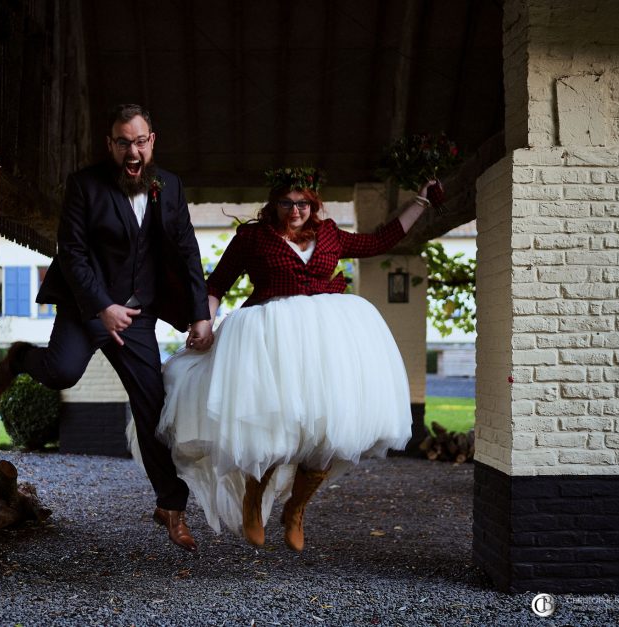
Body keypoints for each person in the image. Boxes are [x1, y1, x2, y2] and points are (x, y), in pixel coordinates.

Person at [150, 167, 437, 552]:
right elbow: (216, 283)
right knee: (273, 431)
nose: (295, 210)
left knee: (326, 434)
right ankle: (254, 502)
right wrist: (205, 321)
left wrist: (419, 201)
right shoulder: (253, 238)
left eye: (303, 203)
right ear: (275, 203)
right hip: (271, 342)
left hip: (324, 346)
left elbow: (379, 240)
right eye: (287, 202)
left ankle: (296, 510)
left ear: (314, 204)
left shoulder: (330, 234)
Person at [0, 104, 214, 552]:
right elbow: (71, 251)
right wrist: (102, 307)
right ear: (111, 145)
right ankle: (19, 358)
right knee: (62, 372)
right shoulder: (85, 185)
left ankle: (171, 506)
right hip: (86, 307)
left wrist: (200, 313)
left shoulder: (170, 187)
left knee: (153, 409)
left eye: (140, 141)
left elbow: (187, 252)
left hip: (139, 317)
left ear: (152, 141)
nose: (133, 150)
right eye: (123, 142)